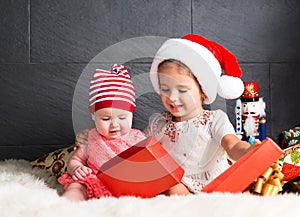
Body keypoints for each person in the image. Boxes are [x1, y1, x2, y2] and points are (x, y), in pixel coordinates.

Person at [76, 34, 261, 195]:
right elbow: (131, 145)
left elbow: (233, 144)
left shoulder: (214, 120)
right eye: (165, 89)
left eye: (182, 90)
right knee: (164, 183)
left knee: (172, 187)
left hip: (211, 185)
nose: (172, 97)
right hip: (173, 184)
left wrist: (248, 152)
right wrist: (94, 138)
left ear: (203, 91)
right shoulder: (159, 124)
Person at [58, 64, 146, 201]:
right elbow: (76, 159)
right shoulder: (91, 139)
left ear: (131, 114)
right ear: (93, 115)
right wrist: (77, 168)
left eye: (122, 118)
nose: (114, 125)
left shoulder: (137, 138)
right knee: (77, 185)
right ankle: (68, 204)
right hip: (94, 180)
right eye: (106, 118)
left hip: (125, 184)